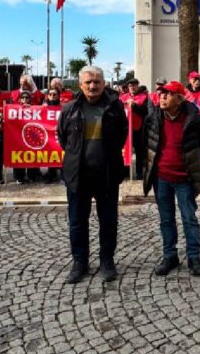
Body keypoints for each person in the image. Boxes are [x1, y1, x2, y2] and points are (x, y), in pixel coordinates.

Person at [57, 66, 129, 284]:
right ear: (80, 84)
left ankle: (107, 261)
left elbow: (122, 135)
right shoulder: (69, 109)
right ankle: (80, 262)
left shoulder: (115, 107)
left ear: (104, 83)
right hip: (78, 176)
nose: (92, 86)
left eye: (97, 81)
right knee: (77, 221)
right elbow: (63, 138)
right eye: (88, 82)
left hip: (106, 175)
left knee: (108, 221)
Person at [143, 80, 200, 277]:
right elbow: (146, 143)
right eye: (161, 93)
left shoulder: (194, 119)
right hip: (161, 178)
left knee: (189, 218)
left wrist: (189, 164)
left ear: (180, 99)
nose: (162, 97)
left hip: (185, 178)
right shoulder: (154, 117)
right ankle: (169, 256)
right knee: (166, 219)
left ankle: (194, 257)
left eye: (168, 94)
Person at [121, 78, 150, 181]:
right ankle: (125, 172)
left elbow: (146, 111)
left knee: (139, 151)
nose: (132, 87)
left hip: (138, 128)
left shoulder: (144, 97)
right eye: (130, 86)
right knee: (125, 151)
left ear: (137, 86)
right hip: (125, 129)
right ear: (128, 87)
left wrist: (134, 106)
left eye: (134, 85)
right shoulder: (123, 97)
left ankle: (139, 173)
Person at [11, 90, 42, 184]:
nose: (25, 99)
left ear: (30, 99)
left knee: (31, 155)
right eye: (22, 97)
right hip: (18, 136)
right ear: (20, 99)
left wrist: (32, 109)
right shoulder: (14, 108)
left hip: (31, 135)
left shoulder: (35, 108)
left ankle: (31, 175)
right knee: (19, 155)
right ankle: (19, 177)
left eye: (27, 97)